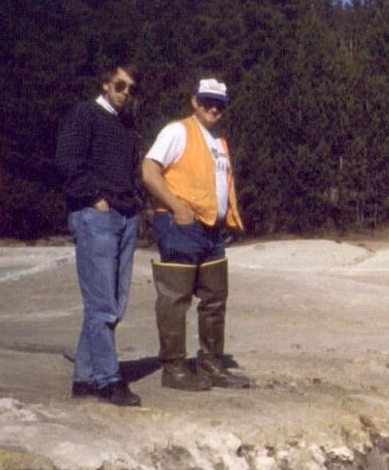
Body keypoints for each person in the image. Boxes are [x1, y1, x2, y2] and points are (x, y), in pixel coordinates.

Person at [141, 78, 250, 390]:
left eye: (220, 103)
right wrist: (177, 208)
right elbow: (149, 170)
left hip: (211, 230)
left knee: (215, 297)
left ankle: (212, 364)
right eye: (207, 101)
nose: (214, 108)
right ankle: (173, 368)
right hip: (181, 226)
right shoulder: (178, 131)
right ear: (195, 102)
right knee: (176, 297)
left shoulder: (218, 140)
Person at [55, 63, 143, 407]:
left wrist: (135, 203)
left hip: (125, 215)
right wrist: (96, 199)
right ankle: (109, 381)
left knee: (112, 303)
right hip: (96, 217)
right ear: (106, 83)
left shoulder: (127, 124)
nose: (126, 94)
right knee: (102, 304)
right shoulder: (85, 115)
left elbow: (133, 167)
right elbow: (66, 163)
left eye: (132, 89)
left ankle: (85, 377)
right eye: (120, 86)